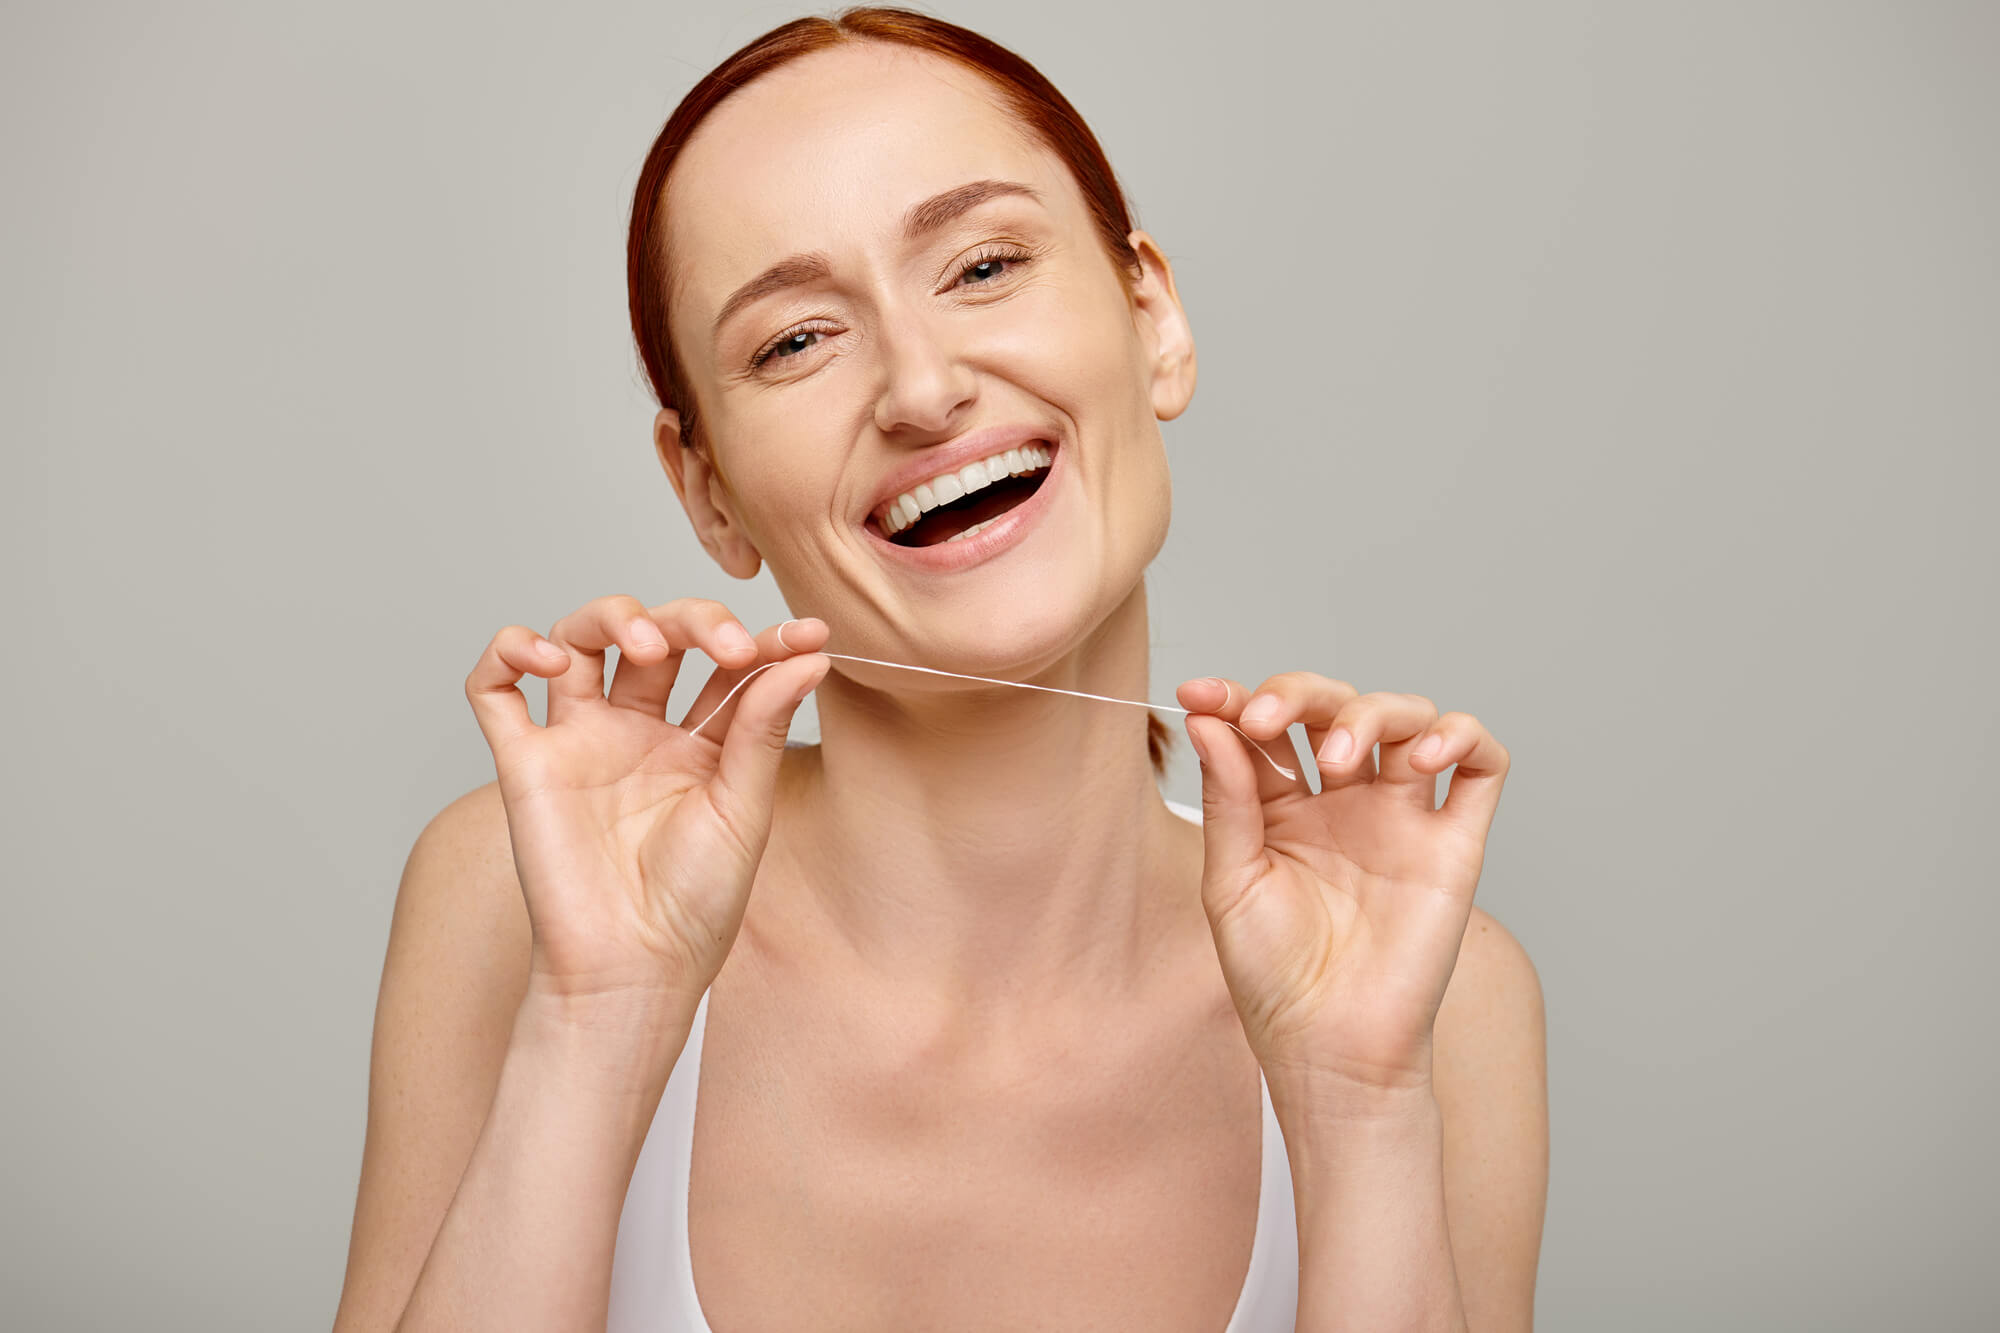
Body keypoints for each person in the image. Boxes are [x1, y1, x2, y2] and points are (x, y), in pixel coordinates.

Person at [333, 8, 1549, 1331]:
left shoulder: (1437, 994)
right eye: (795, 340)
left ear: (1156, 321)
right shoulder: (522, 905)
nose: (920, 388)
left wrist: (1355, 1104)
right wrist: (599, 1017)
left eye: (982, 267)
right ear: (711, 493)